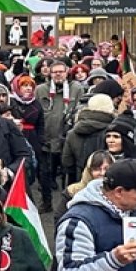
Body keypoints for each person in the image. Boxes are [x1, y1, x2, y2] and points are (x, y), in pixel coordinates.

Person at [40, 60, 83, 211]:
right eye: (55, 72)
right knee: (45, 173)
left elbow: (80, 111)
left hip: (68, 140)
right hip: (46, 138)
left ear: (67, 72)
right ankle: (46, 203)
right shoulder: (41, 90)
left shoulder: (76, 89)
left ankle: (68, 204)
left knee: (69, 172)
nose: (58, 74)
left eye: (61, 71)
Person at [62, 93, 117, 185]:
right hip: (107, 180)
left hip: (80, 179)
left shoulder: (73, 132)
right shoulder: (113, 133)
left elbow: (67, 161)